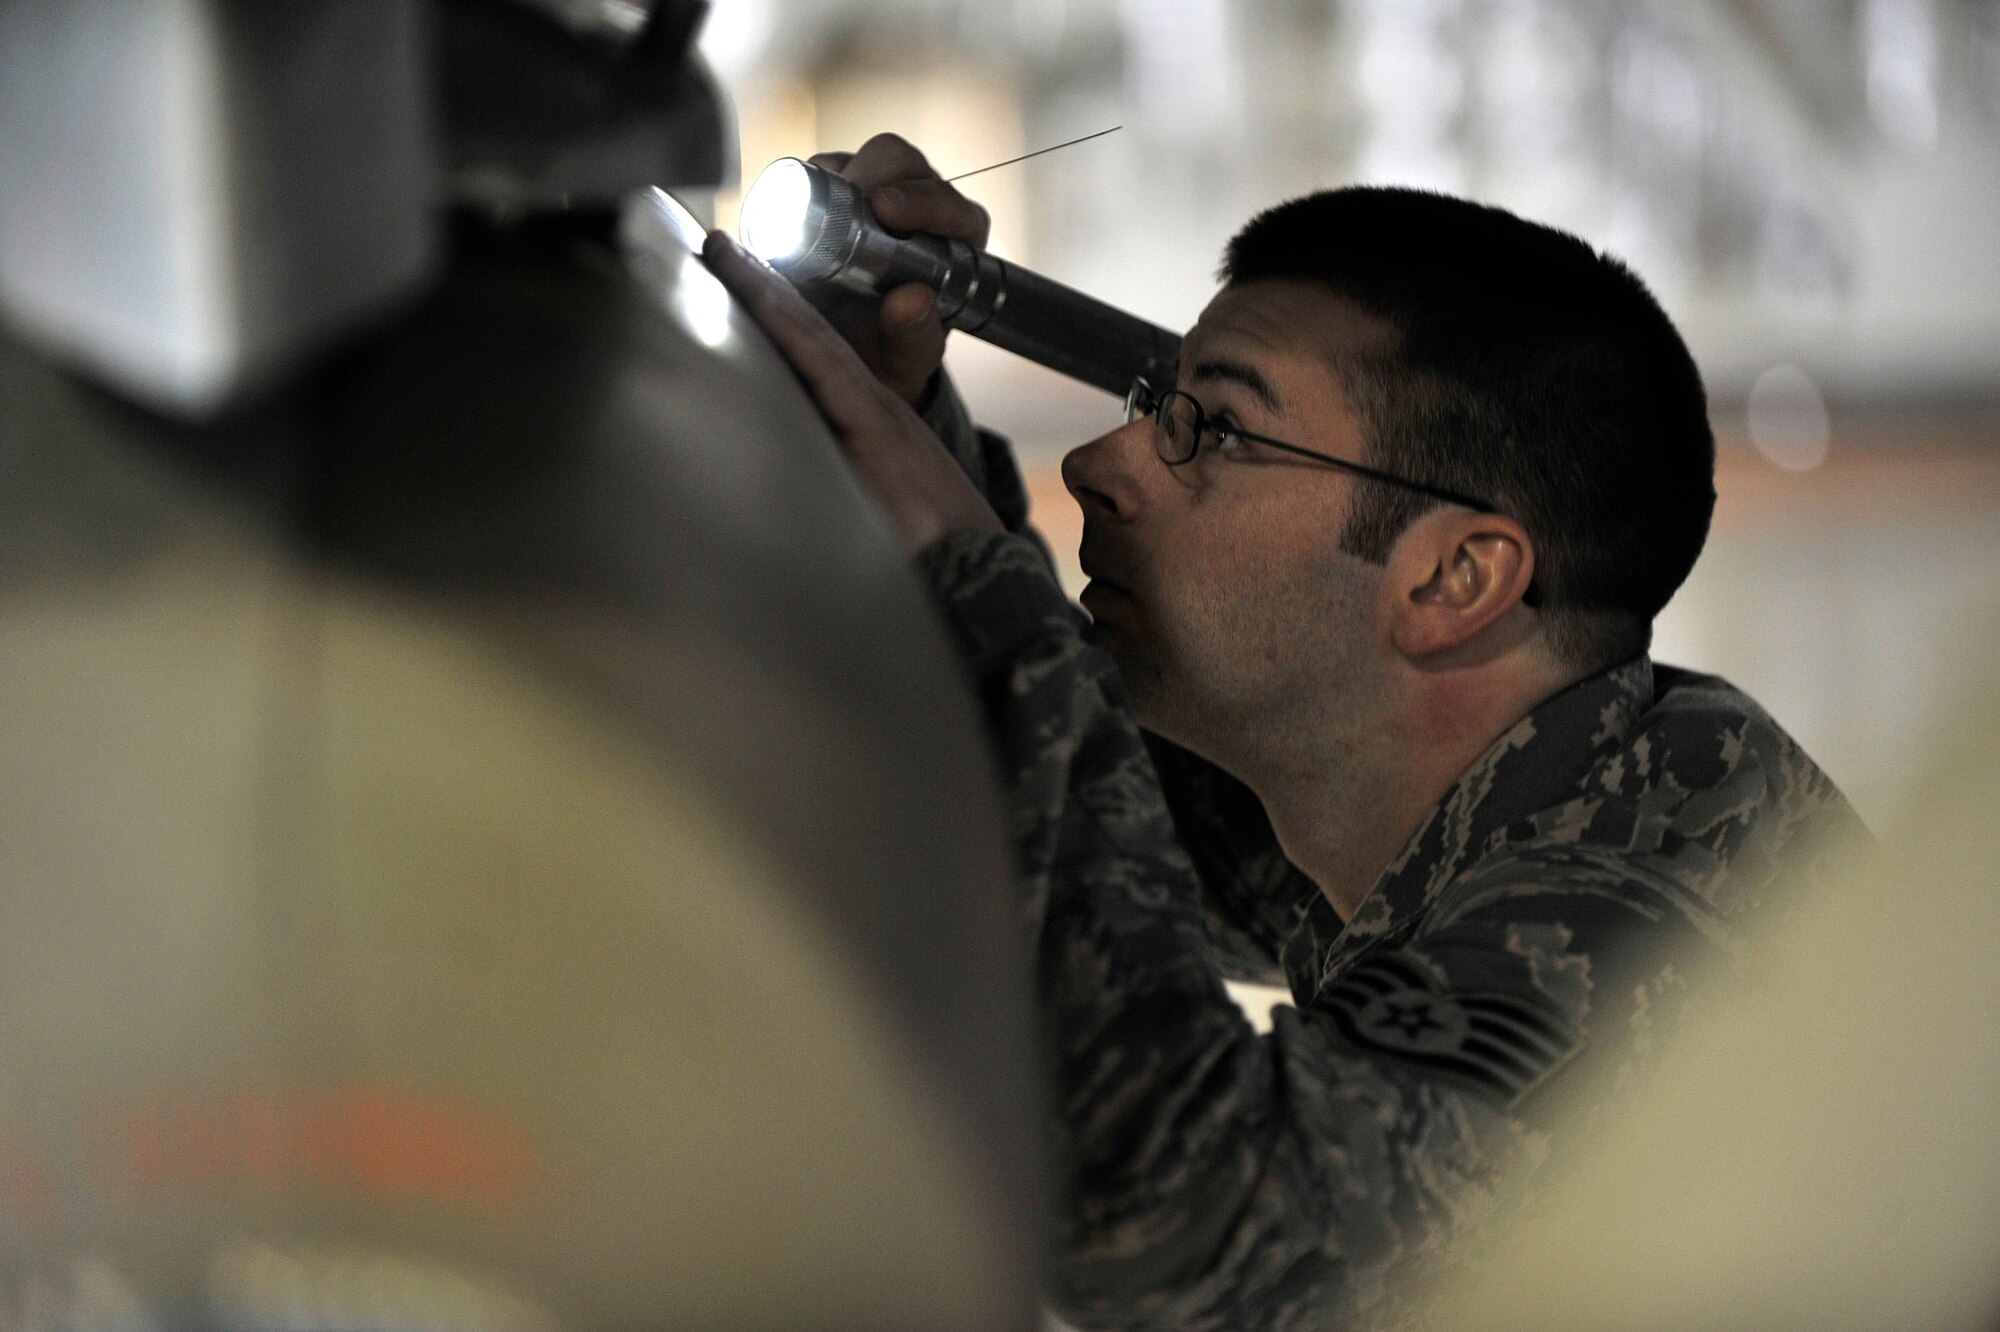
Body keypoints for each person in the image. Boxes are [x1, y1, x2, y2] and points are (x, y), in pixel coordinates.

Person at [703, 133, 1866, 1331]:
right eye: (1156, 401)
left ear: (1453, 577)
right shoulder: (1456, 785)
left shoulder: (1658, 916)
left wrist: (973, 579)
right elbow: (1117, 828)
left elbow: (1186, 1236)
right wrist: (902, 411)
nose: (1099, 465)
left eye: (1213, 432)